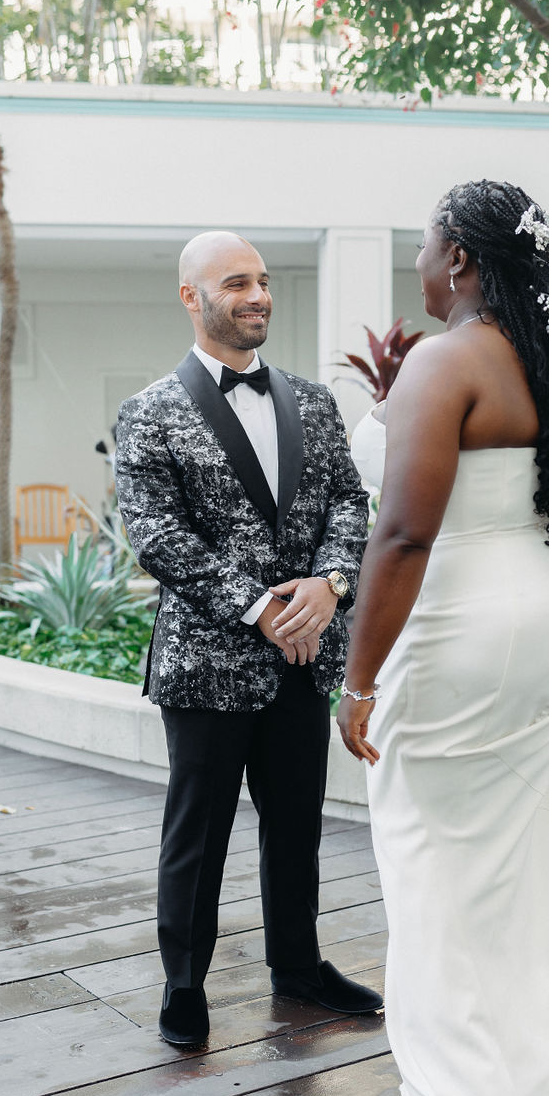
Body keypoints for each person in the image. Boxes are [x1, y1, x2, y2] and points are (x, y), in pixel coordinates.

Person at [337, 180, 549, 1096]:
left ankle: (468, 1085)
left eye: (427, 248)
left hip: (464, 637)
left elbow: (399, 539)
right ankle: (538, 1055)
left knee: (429, 853)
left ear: (461, 259)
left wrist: (356, 683)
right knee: (514, 854)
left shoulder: (449, 362)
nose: (419, 267)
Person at [115, 231, 379, 1047]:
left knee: (296, 823)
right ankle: (184, 984)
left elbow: (349, 504)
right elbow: (155, 533)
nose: (259, 295)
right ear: (192, 297)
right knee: (198, 832)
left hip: (304, 660)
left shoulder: (314, 401)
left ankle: (297, 966)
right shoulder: (148, 411)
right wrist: (260, 605)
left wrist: (332, 586)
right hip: (206, 666)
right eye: (238, 283)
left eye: (263, 281)